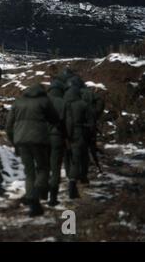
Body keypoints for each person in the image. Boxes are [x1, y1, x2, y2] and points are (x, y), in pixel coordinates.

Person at [6, 83, 59, 216]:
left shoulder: (18, 102)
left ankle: (32, 199)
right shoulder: (44, 101)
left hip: (21, 141)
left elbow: (8, 126)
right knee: (43, 168)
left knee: (29, 173)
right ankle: (36, 194)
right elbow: (55, 119)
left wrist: (14, 142)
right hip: (39, 140)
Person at [64, 78, 95, 199]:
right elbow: (91, 123)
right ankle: (73, 183)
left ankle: (70, 176)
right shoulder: (83, 105)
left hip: (65, 134)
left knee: (68, 157)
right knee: (79, 158)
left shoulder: (63, 105)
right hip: (79, 134)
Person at [46, 80, 67, 206]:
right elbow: (67, 123)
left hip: (42, 138)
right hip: (57, 138)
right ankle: (53, 198)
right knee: (55, 168)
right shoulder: (63, 103)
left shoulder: (42, 101)